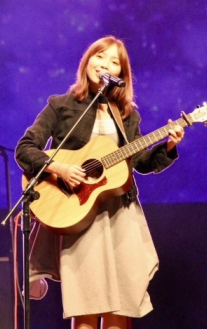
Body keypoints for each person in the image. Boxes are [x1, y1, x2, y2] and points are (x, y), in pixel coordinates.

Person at [15, 36, 186, 329]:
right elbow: (25, 148)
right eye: (99, 56)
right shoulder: (61, 105)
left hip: (119, 211)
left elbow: (141, 162)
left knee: (121, 301)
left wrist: (168, 146)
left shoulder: (127, 115)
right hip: (78, 209)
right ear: (87, 61)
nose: (105, 64)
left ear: (121, 74)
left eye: (114, 61)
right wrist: (59, 168)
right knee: (87, 302)